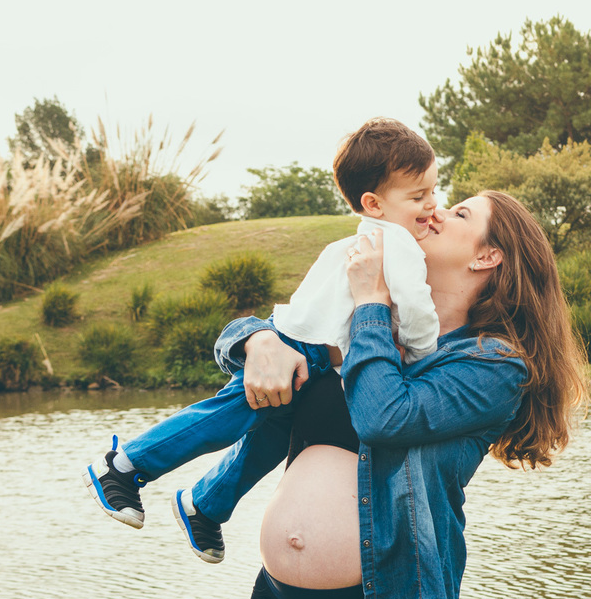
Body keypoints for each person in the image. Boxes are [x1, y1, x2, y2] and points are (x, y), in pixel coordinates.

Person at [221, 191, 589, 599]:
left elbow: (384, 416)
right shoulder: (374, 319)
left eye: (460, 214)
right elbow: (277, 331)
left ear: (487, 256)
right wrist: (256, 338)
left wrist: (370, 302)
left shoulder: (493, 365)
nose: (436, 211)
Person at [82, 118, 441, 563]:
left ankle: (204, 505)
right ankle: (123, 466)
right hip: (298, 346)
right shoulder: (399, 246)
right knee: (221, 419)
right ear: (374, 202)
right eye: (419, 196)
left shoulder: (361, 239)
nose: (433, 204)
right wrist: (425, 349)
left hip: (303, 345)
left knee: (270, 438)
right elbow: (418, 308)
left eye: (433, 190)